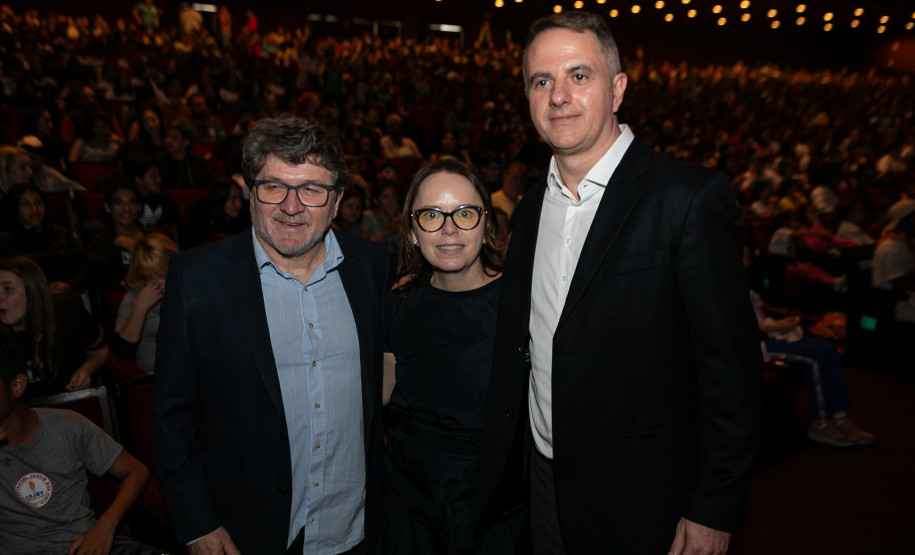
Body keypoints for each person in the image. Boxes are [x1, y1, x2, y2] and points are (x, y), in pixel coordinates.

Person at [476, 13, 761, 554]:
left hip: (645, 497)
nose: (559, 96)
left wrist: (713, 506)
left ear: (618, 90)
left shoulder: (687, 199)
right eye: (542, 81)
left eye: (579, 76)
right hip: (542, 480)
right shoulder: (532, 205)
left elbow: (732, 372)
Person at [152, 115, 390, 554]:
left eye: (311, 189)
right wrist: (198, 524)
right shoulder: (197, 278)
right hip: (246, 532)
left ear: (337, 200)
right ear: (250, 193)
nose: (291, 206)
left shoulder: (373, 268)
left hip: (355, 527)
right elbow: (173, 420)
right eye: (273, 186)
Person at [383, 159, 524, 553]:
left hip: (494, 513)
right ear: (412, 230)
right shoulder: (397, 304)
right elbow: (376, 393)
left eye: (464, 213)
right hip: (409, 506)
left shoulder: (522, 304)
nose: (449, 228)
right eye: (431, 215)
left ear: (486, 223)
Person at [0, 335, 165, 555]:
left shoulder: (67, 425)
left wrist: (105, 527)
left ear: (17, 385)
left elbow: (136, 472)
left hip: (83, 544)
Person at [0, 256, 108, 396]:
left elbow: (100, 351)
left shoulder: (68, 316)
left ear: (33, 290)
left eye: (8, 289)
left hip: (70, 402)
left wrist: (87, 369)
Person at [111, 233, 178, 373]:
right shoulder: (134, 296)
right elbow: (122, 352)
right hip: (156, 372)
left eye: (162, 276)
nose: (156, 284)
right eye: (148, 277)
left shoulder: (189, 288)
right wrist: (140, 308)